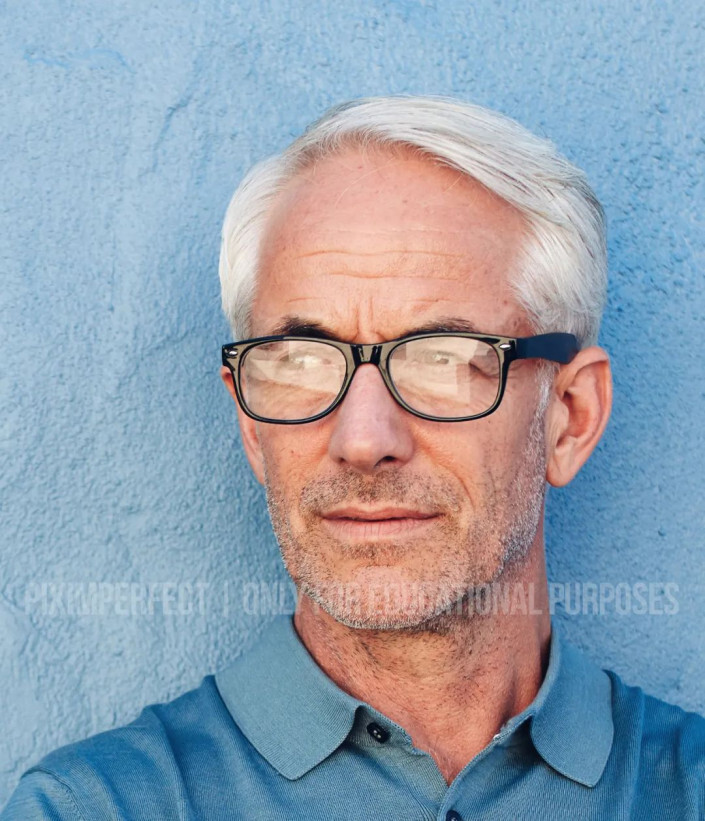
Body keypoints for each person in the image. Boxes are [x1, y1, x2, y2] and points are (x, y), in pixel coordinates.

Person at [3, 96, 704, 820]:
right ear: (252, 426)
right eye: (301, 361)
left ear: (568, 418)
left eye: (441, 357)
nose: (363, 440)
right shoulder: (94, 808)